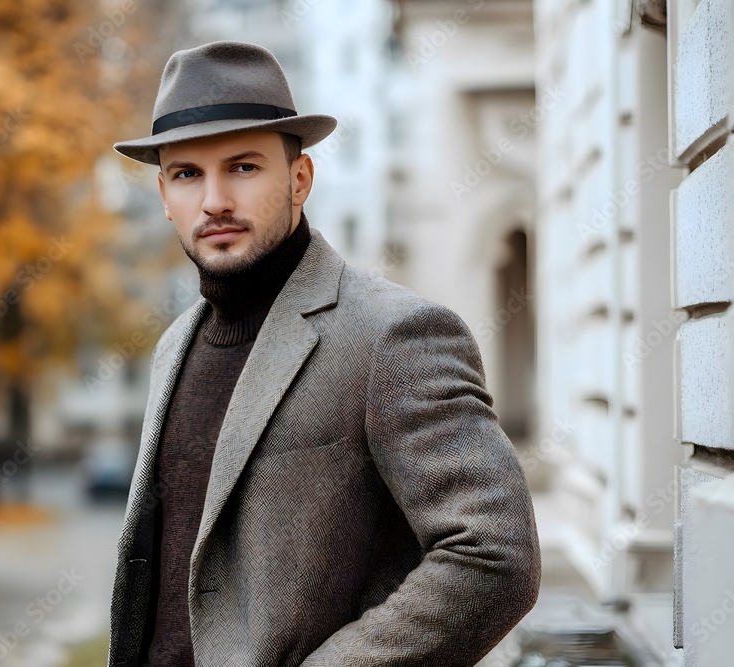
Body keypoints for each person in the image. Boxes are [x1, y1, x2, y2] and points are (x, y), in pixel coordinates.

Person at [107, 39, 540, 667]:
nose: (215, 200)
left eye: (244, 167)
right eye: (187, 174)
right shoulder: (174, 345)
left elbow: (495, 556)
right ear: (164, 195)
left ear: (300, 178)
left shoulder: (393, 335)